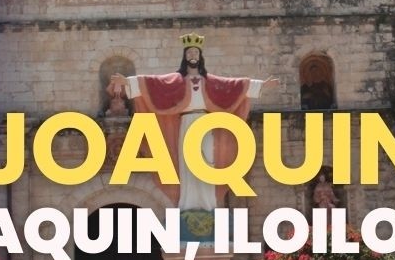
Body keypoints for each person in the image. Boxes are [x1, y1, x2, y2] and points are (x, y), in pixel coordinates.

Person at [110, 33, 277, 209]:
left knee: (207, 161)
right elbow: (153, 83)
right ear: (185, 57)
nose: (192, 56)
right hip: (186, 124)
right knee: (187, 165)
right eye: (189, 53)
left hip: (205, 125)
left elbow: (234, 85)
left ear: (200, 57)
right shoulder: (175, 81)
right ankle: (187, 204)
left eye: (195, 53)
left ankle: (207, 205)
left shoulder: (210, 81)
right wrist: (127, 82)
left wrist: (262, 85)